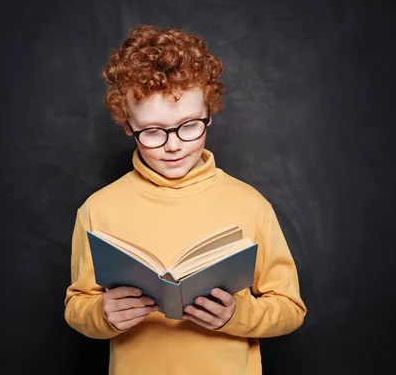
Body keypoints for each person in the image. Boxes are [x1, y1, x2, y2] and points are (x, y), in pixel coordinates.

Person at [64, 24, 306, 374]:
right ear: (128, 125)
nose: (174, 144)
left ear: (210, 112)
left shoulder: (251, 205)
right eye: (152, 131)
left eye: (189, 124)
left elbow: (290, 309)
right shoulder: (98, 209)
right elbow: (77, 306)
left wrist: (238, 315)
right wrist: (102, 314)